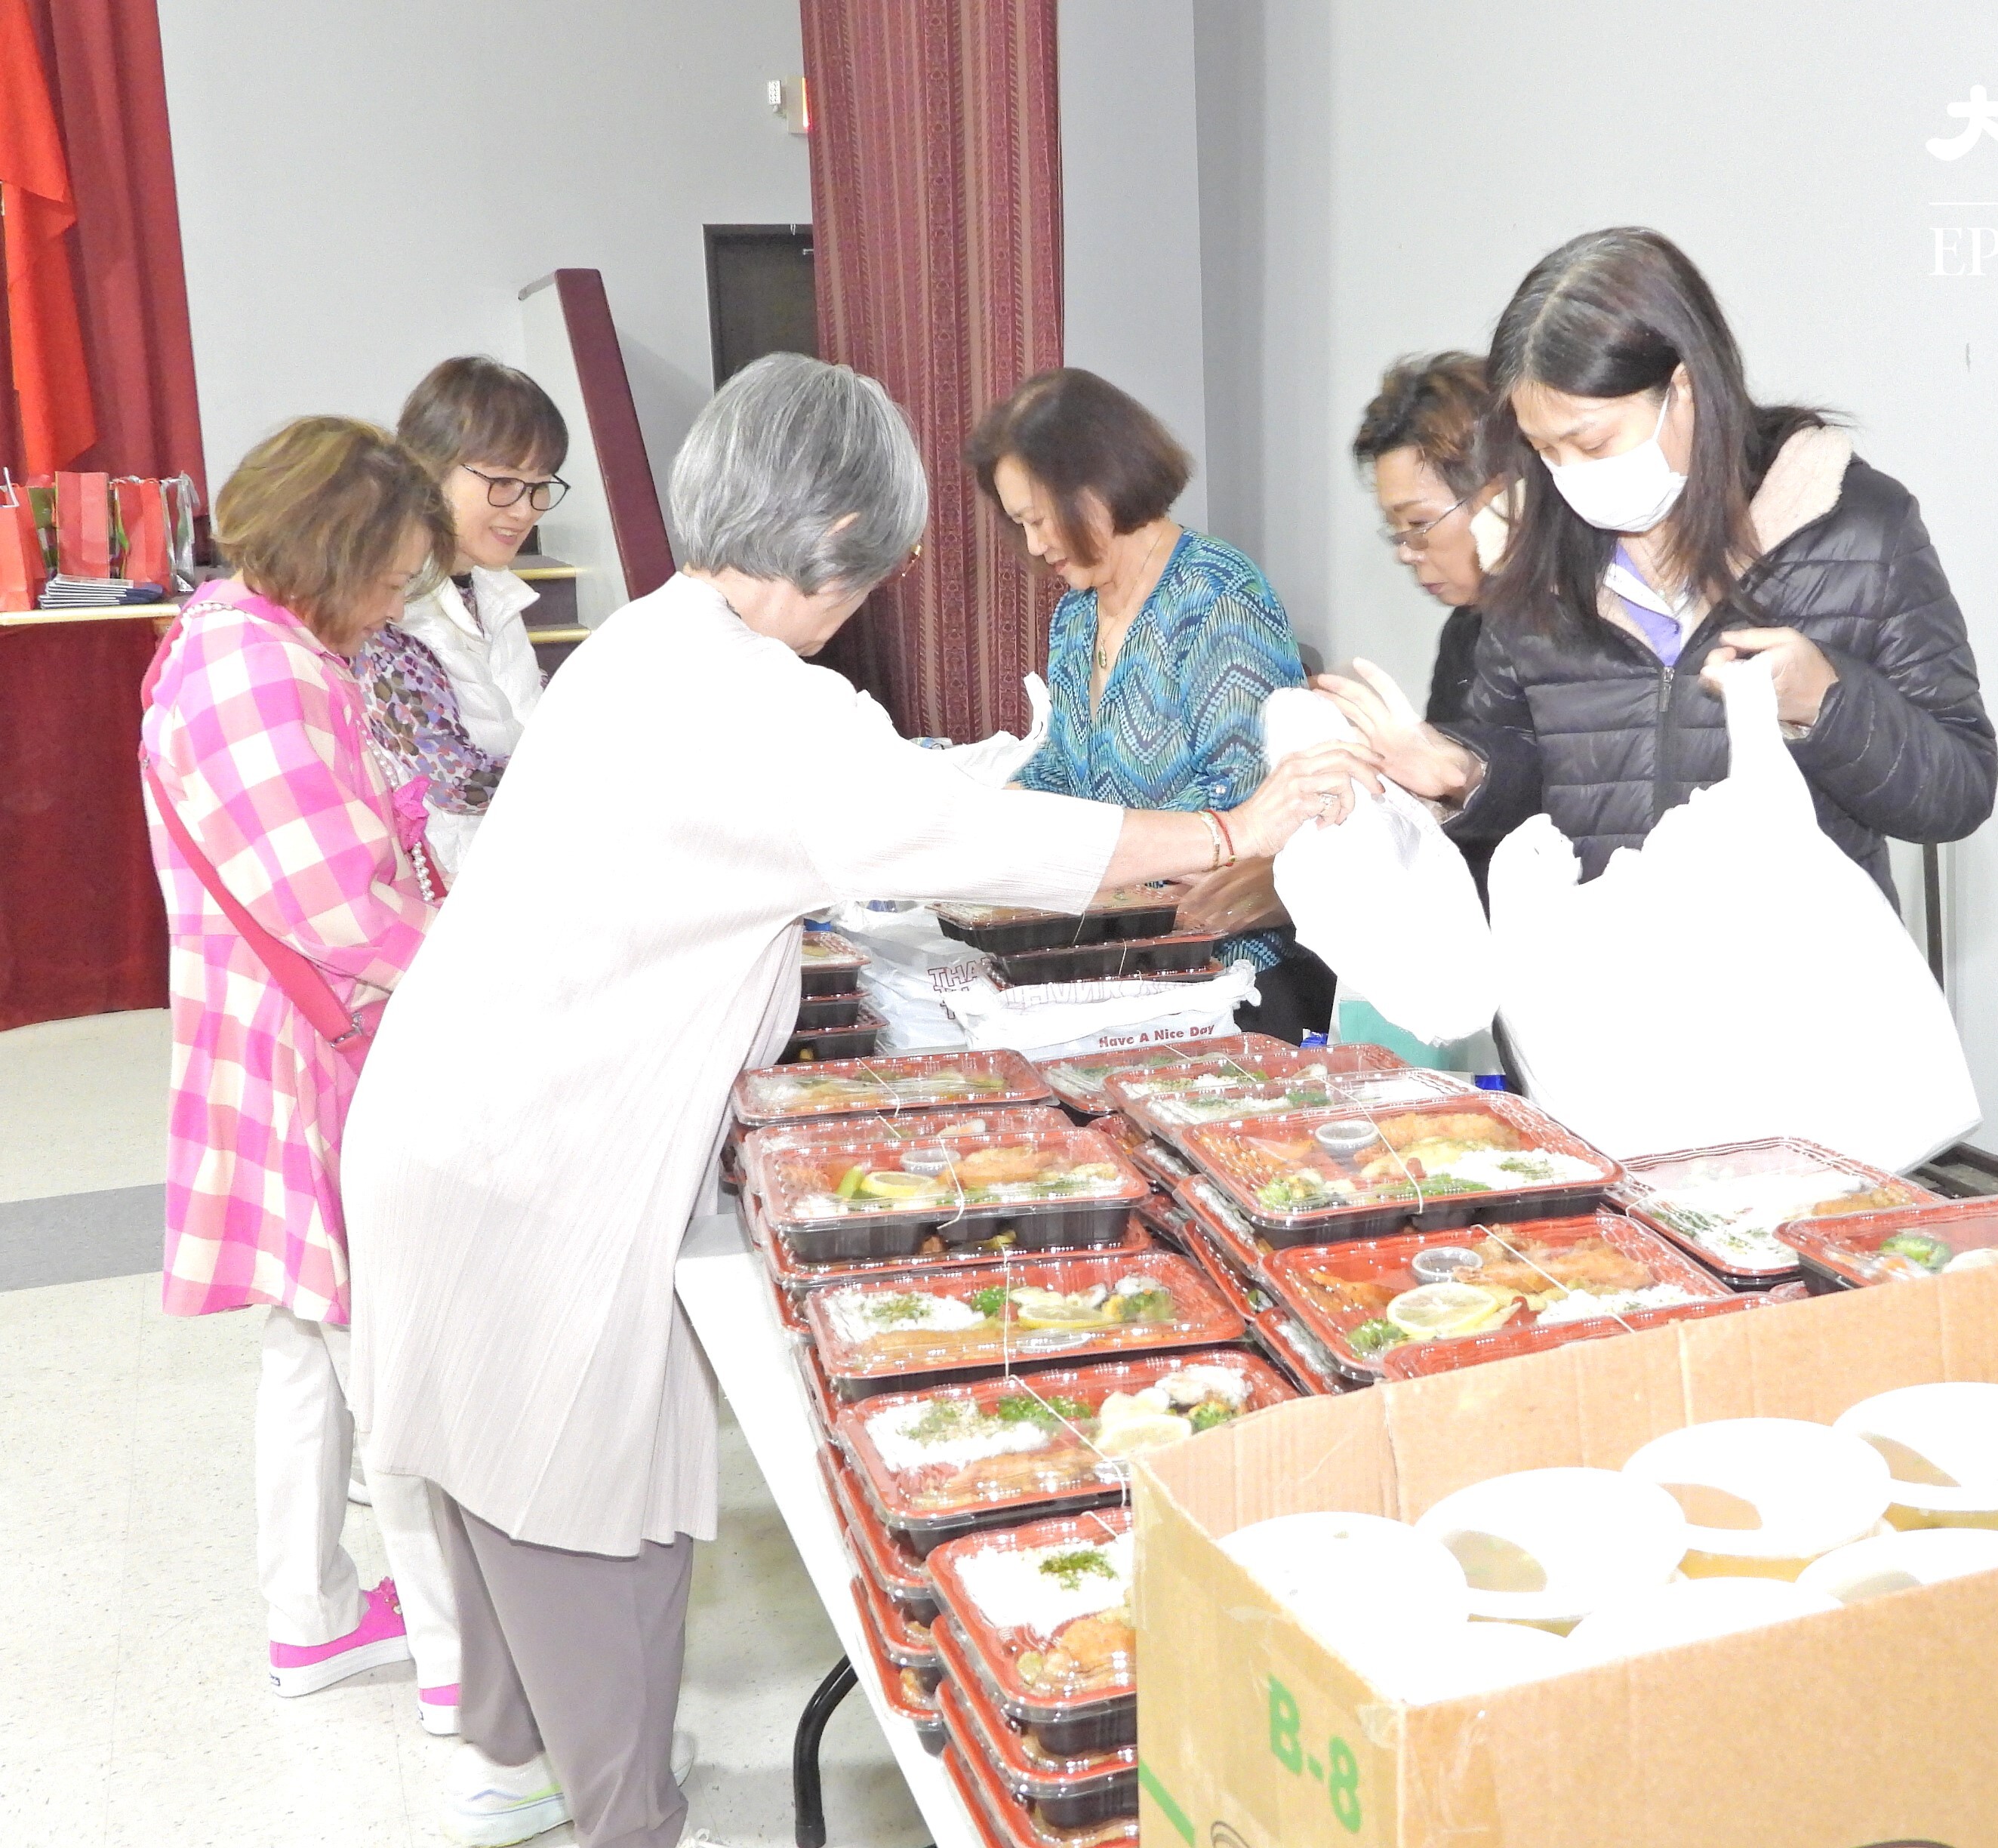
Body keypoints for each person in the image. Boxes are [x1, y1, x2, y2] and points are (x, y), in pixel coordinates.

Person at [341, 354, 1372, 1848]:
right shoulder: (756, 698)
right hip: (529, 1156)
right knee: (571, 1491)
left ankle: (515, 1766)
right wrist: (1230, 827)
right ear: (834, 538)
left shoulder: (651, 637)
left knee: (486, 1470)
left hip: (453, 1116)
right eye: (877, 567)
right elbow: (961, 837)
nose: (868, 598)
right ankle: (620, 1816)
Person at [1319, 227, 1996, 901]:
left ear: (1685, 387)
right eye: (1544, 450)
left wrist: (1827, 702)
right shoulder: (1537, 556)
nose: (1569, 475)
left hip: (1800, 964)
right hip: (1601, 962)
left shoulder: (1854, 528)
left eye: (1592, 442)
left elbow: (1958, 791)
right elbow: (1540, 776)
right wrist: (1466, 772)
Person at [137, 417, 466, 1740]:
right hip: (314, 1050)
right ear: (330, 549)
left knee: (309, 1344)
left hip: (277, 1038)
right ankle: (462, 1673)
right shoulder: (255, 668)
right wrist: (471, 968)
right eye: (387, 576)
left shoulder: (238, 639)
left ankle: (313, 1614)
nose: (393, 604)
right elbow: (336, 900)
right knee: (385, 1358)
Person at [966, 366, 1335, 1041]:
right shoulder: (1076, 616)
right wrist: (981, 811)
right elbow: (1062, 772)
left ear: (1099, 486)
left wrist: (1094, 849)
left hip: (1228, 980)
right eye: (1021, 524)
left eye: (1040, 520)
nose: (1035, 545)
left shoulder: (1216, 597)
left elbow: (1245, 812)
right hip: (1120, 970)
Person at [358, 356, 571, 881]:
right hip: (446, 884)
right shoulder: (391, 608)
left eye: (539, 485)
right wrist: (589, 775)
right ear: (429, 470)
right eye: (504, 482)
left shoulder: (488, 586)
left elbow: (521, 707)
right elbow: (452, 779)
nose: (525, 509)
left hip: (520, 865)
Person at [1350, 350, 1507, 896]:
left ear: (1500, 496)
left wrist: (1464, 775)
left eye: (1419, 524)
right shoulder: (1466, 630)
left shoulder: (1583, 626)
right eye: (1396, 531)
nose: (1407, 551)